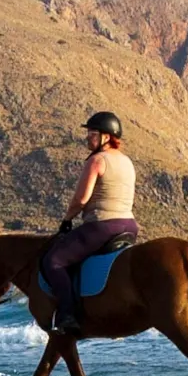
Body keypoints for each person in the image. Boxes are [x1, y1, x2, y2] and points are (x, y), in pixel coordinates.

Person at [37, 111, 141, 333]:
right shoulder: (127, 161)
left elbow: (81, 199)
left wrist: (67, 219)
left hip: (102, 225)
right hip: (129, 226)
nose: (87, 138)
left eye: (91, 133)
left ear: (106, 136)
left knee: (53, 261)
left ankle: (67, 315)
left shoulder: (97, 160)